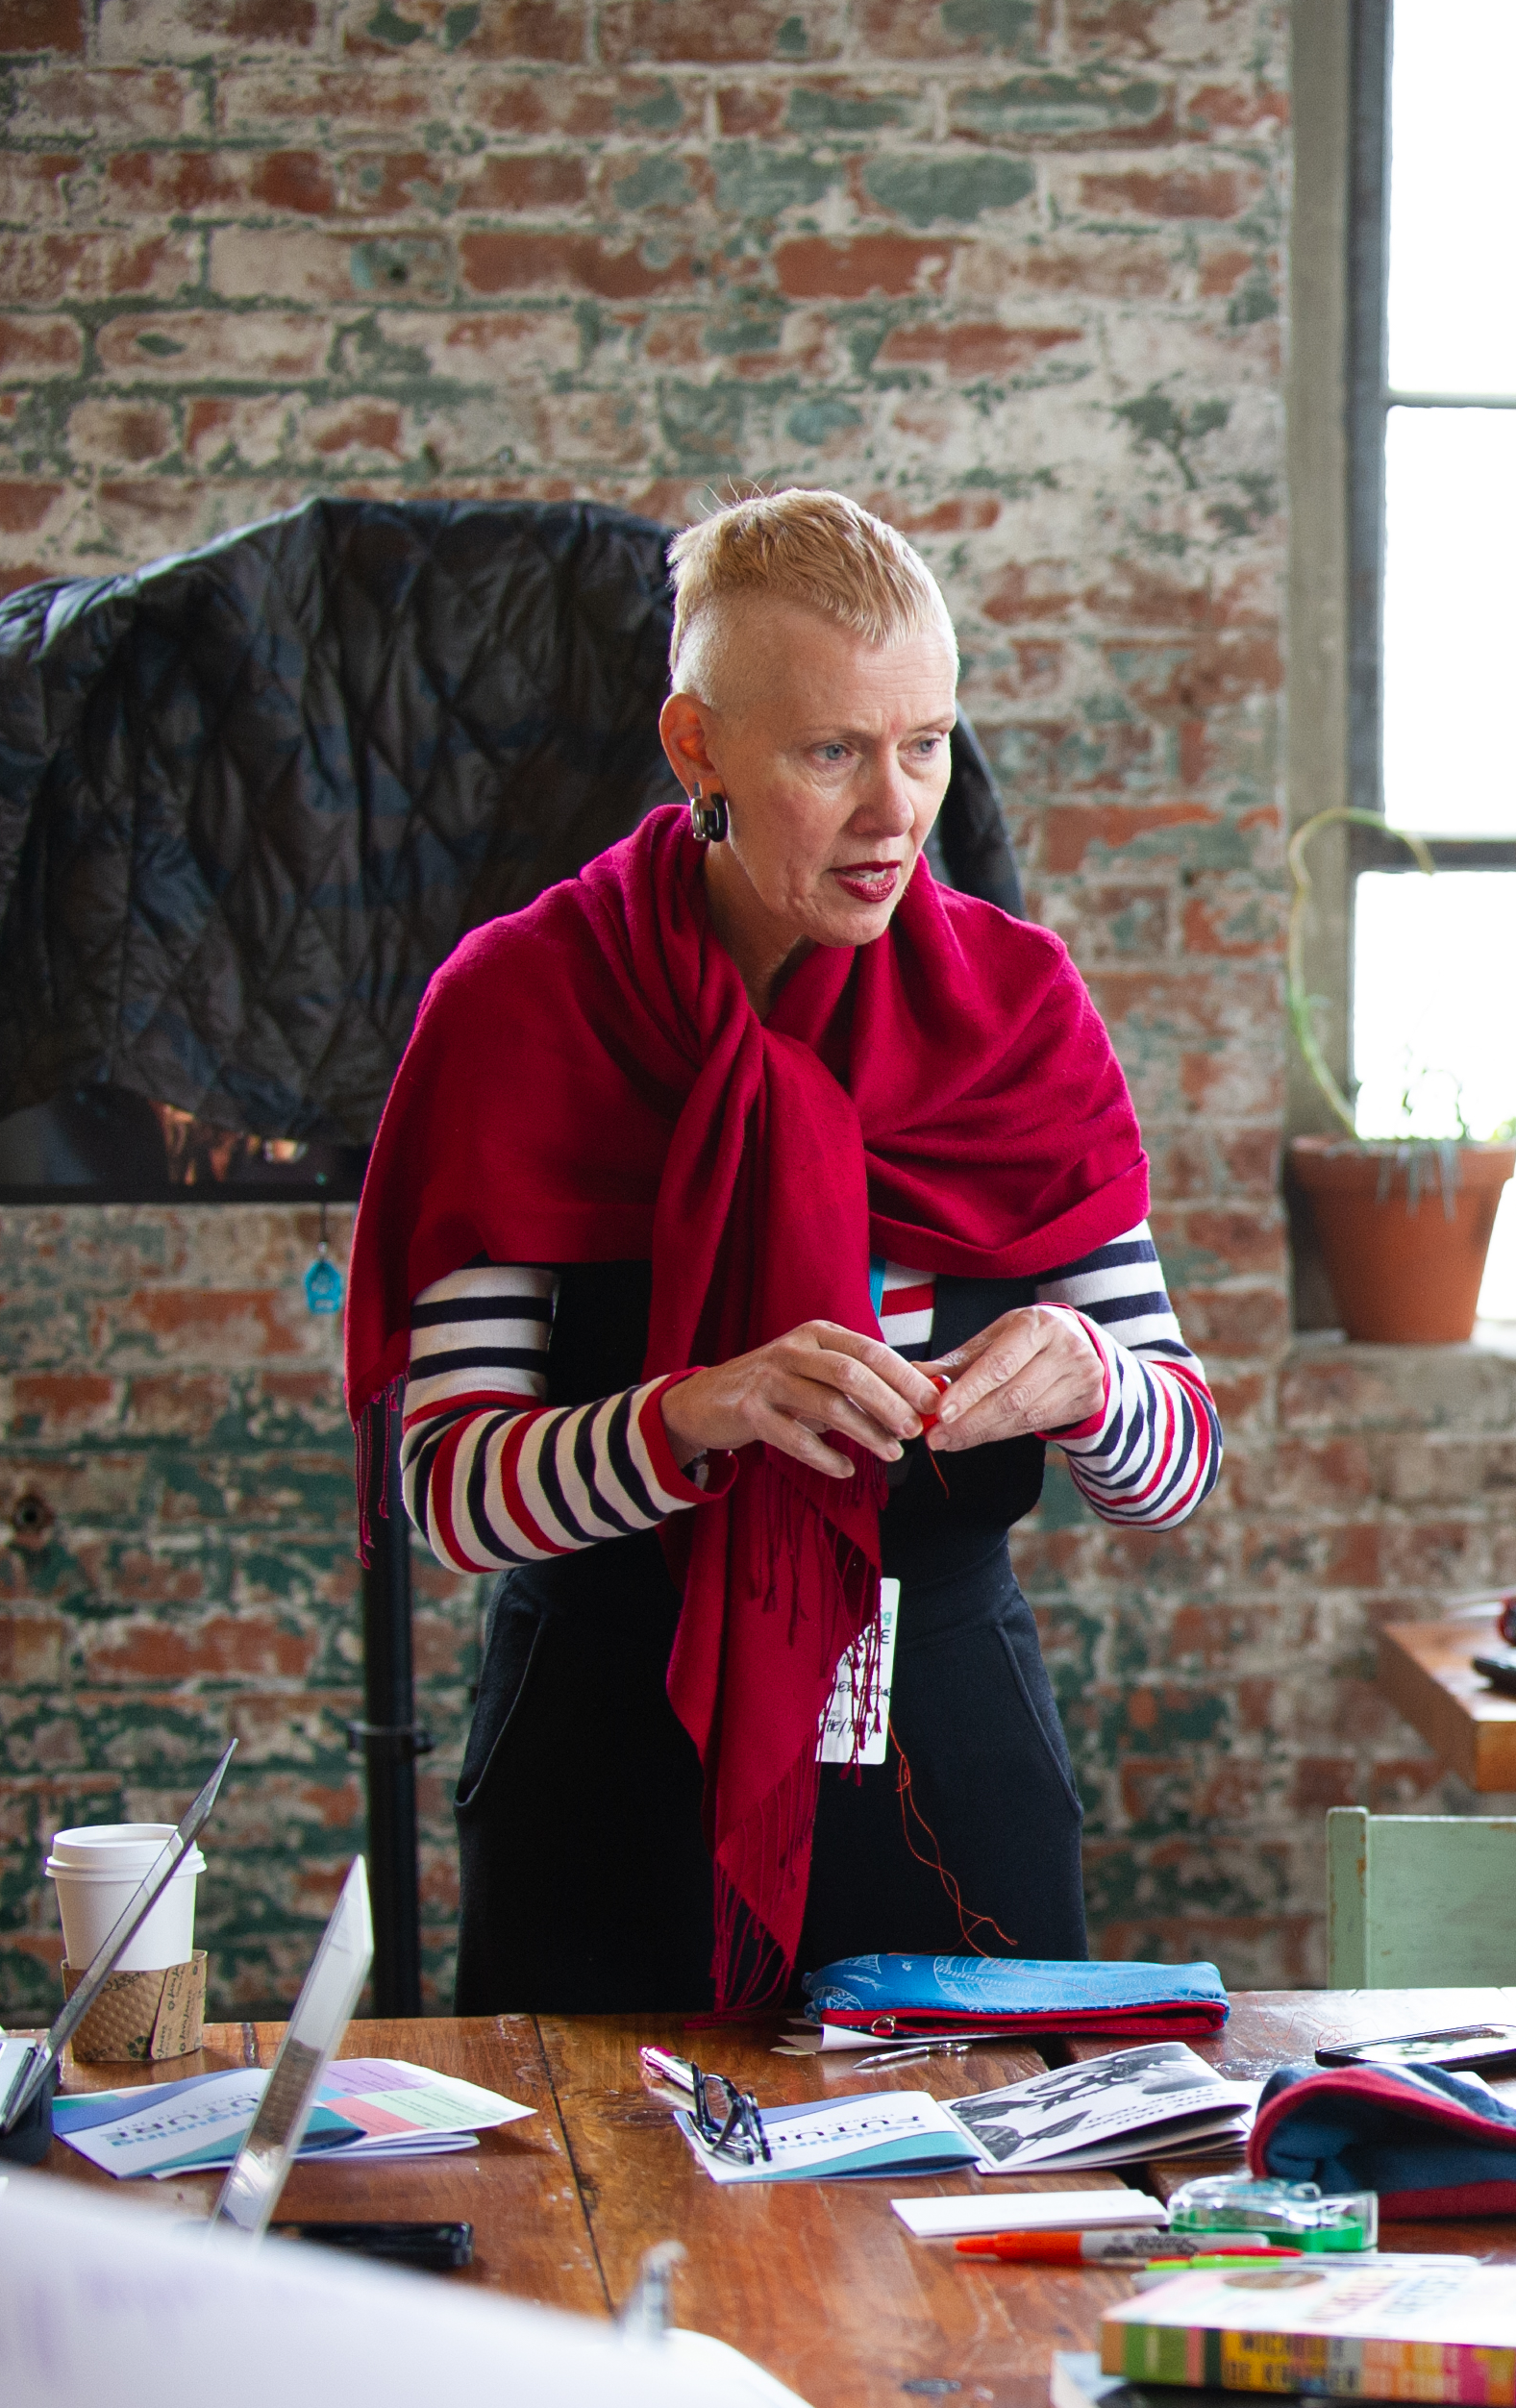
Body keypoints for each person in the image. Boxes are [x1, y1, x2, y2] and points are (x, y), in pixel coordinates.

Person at [345, 488, 1219, 2015]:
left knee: (972, 2247)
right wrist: (695, 1412)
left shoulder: (1016, 1011)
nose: (897, 813)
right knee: (589, 2241)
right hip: (604, 1777)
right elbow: (451, 1494)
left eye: (927, 744)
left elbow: (1180, 1461)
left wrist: (1091, 1381)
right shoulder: (519, 1011)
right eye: (832, 753)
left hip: (948, 1765)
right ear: (700, 751)